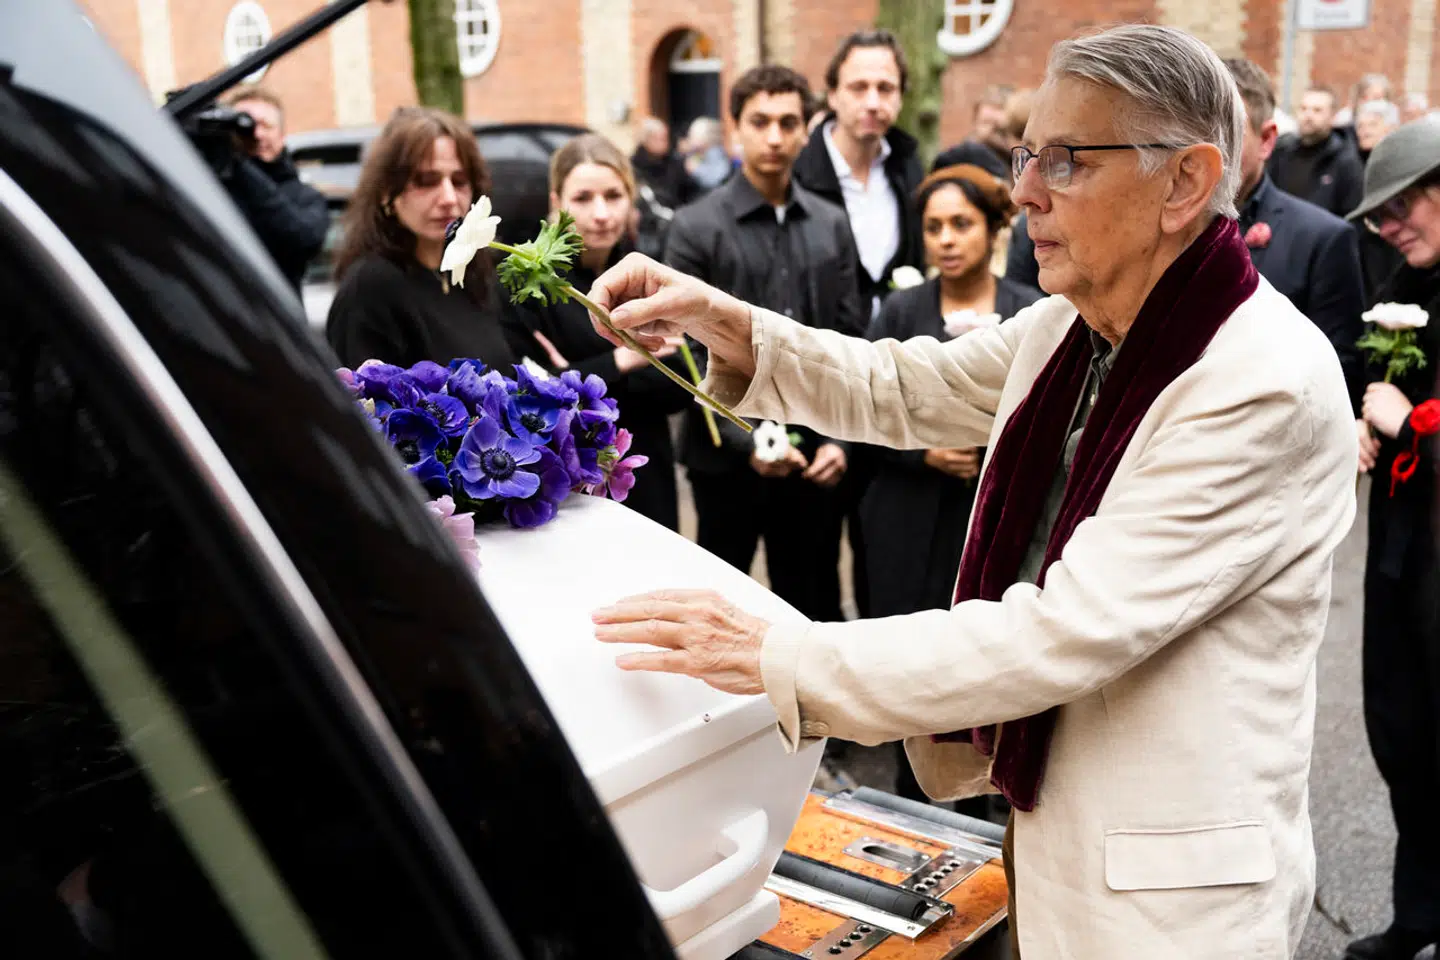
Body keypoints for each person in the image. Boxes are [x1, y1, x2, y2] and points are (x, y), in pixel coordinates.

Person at [587, 24, 1357, 958]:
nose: (1023, 190)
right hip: (1058, 842)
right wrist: (721, 320)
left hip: (1173, 903)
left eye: (1065, 160)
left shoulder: (1262, 381)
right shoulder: (1071, 329)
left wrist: (778, 655)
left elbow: (1062, 631)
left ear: (1185, 183)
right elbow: (899, 384)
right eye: (1026, 155)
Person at [860, 163, 1041, 813]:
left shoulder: (1029, 312)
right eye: (934, 226)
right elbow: (863, 416)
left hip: (997, 522)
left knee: (991, 663)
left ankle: (993, 800)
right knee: (916, 666)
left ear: (993, 230)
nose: (945, 239)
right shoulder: (902, 311)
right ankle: (913, 801)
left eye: (961, 224)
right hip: (912, 519)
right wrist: (924, 452)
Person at [663, 64, 863, 622]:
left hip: (814, 454)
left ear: (805, 130)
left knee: (813, 607)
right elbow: (686, 350)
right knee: (718, 608)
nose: (774, 137)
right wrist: (749, 440)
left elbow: (849, 338)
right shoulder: (695, 226)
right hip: (725, 460)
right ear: (736, 128)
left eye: (788, 122)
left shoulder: (830, 223)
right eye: (760, 122)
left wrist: (841, 441)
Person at [1345, 119, 1440, 960]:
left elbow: (1413, 412)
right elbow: (1379, 391)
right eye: (1380, 216)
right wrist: (1367, 425)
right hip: (1404, 552)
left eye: (1400, 207)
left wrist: (1413, 424)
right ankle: (1420, 915)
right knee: (1405, 730)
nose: (1388, 227)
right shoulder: (1408, 282)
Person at [514, 133, 691, 530]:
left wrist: (579, 373)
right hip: (568, 485)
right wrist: (622, 361)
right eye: (583, 198)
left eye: (613, 196)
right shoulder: (531, 285)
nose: (601, 213)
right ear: (557, 202)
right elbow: (530, 397)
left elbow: (679, 387)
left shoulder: (646, 273)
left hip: (645, 470)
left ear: (631, 198)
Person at [325, 107, 538, 370]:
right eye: (427, 181)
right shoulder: (370, 289)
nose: (449, 198)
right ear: (386, 192)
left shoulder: (475, 274)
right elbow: (363, 392)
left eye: (459, 181)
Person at [1225, 59, 1366, 406]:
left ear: (1266, 140)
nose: (1207, 149)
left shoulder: (1321, 238)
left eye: (1227, 133)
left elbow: (1338, 373)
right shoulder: (1158, 227)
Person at [793, 28, 925, 319]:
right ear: (832, 96)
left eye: (885, 88)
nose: (873, 103)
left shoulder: (910, 169)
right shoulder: (797, 173)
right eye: (858, 88)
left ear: (901, 97)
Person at [220, 86, 329, 292]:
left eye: (266, 125)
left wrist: (240, 166)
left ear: (282, 136)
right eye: (246, 126)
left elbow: (303, 240)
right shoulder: (212, 191)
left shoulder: (305, 197)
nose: (257, 134)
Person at [1269, 85, 1366, 217]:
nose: (1308, 116)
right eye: (1303, 108)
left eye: (1317, 110)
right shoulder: (1281, 152)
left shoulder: (1346, 161)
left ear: (1333, 117)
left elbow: (1353, 214)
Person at [932, 84, 1016, 179]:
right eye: (986, 122)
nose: (992, 132)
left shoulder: (1014, 159)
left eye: (1001, 128)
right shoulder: (964, 156)